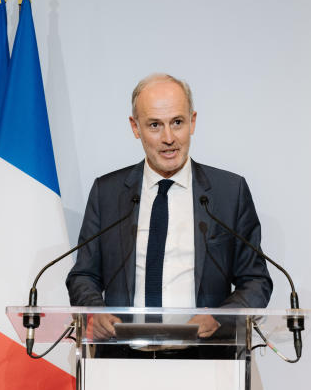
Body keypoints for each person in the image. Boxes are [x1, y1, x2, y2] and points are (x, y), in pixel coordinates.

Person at [65, 73, 272, 342]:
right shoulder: (108, 193)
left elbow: (256, 281)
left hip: (205, 355)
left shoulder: (229, 192)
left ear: (192, 122)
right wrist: (96, 311)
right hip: (122, 355)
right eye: (154, 125)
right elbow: (83, 275)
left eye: (177, 122)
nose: (169, 138)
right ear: (135, 127)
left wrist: (219, 317)